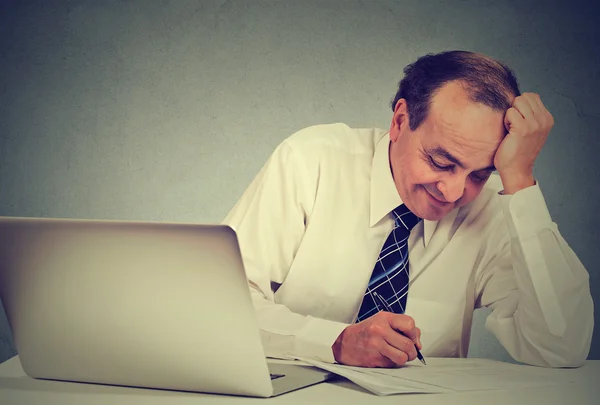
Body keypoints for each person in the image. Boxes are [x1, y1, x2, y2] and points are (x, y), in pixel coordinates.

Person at [221, 50, 594, 368]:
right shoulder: (311, 162)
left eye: (480, 173)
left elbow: (560, 348)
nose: (453, 192)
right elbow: (222, 304)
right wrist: (334, 341)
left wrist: (520, 180)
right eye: (440, 161)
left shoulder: (493, 205)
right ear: (400, 121)